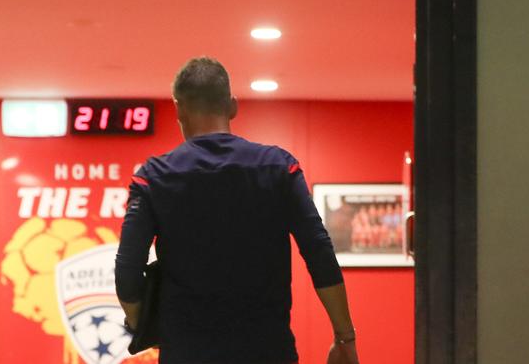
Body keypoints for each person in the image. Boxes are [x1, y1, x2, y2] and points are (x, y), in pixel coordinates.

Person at [115, 57, 359, 364]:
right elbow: (319, 252)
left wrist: (148, 327)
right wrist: (344, 338)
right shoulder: (279, 167)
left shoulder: (153, 177)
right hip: (268, 352)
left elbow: (126, 271)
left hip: (187, 354)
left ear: (178, 108)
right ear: (233, 106)